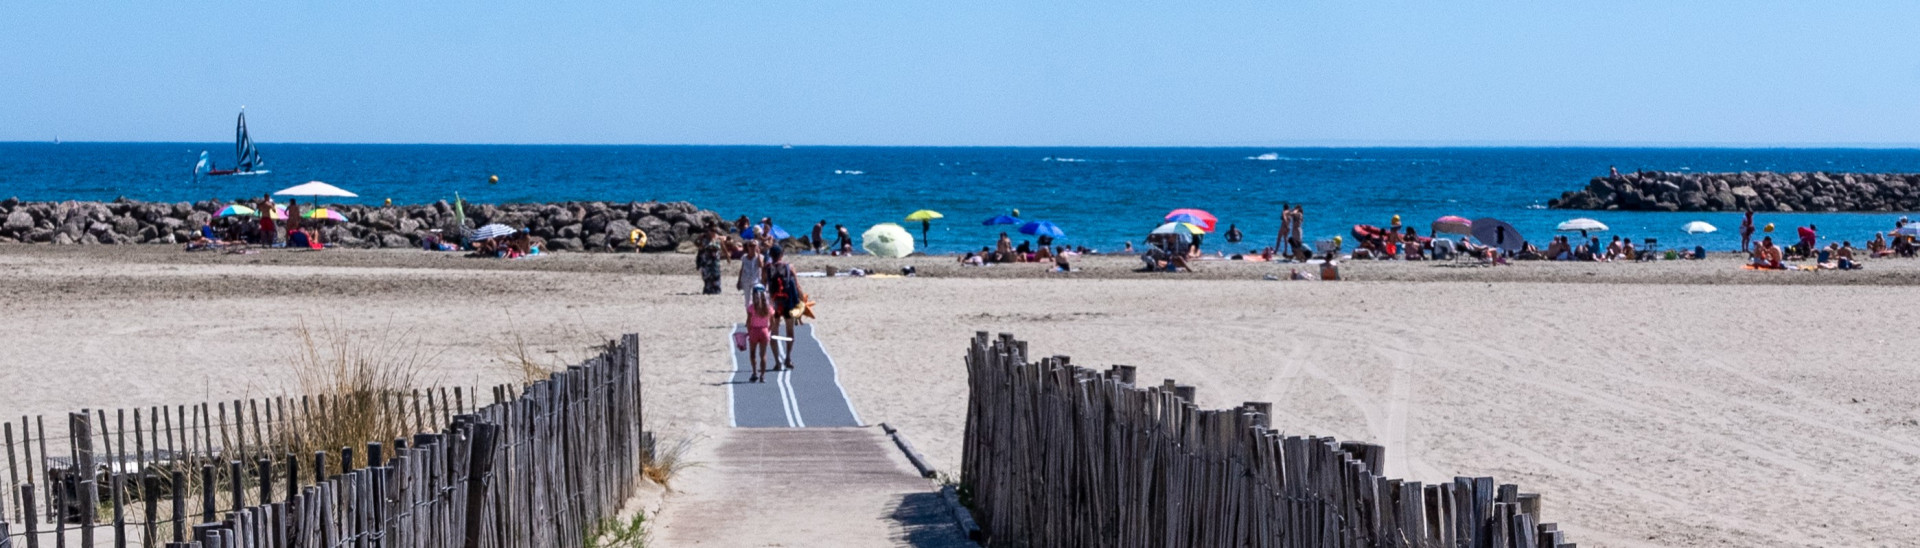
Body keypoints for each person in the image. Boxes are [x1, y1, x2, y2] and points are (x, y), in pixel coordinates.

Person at [762, 245, 803, 370]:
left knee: (774, 332)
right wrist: (801, 301)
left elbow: (763, 285)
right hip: (788, 301)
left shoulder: (767, 268)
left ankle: (777, 362)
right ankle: (788, 358)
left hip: (774, 302)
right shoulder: (789, 267)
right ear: (782, 254)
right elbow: (797, 286)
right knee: (789, 331)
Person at [746, 285, 774, 383]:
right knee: (763, 354)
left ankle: (754, 373)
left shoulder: (752, 307)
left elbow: (748, 322)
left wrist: (749, 331)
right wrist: (768, 330)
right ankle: (762, 375)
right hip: (764, 331)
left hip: (754, 331)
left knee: (753, 353)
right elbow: (773, 322)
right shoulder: (768, 308)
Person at [737, 240, 764, 306]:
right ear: (748, 247)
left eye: (754, 246)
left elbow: (761, 265)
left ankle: (756, 313)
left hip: (756, 280)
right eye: (750, 246)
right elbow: (742, 269)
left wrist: (758, 255)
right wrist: (739, 281)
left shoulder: (760, 256)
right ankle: (749, 313)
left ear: (757, 247)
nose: (752, 247)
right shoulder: (744, 257)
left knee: (756, 298)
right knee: (747, 299)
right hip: (746, 280)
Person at [697, 230, 723, 295]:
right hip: (706, 261)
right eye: (710, 231)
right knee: (707, 276)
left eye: (713, 231)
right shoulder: (704, 240)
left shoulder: (717, 240)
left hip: (715, 262)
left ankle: (716, 289)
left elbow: (720, 248)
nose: (712, 233)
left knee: (716, 275)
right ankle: (707, 289)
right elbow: (699, 248)